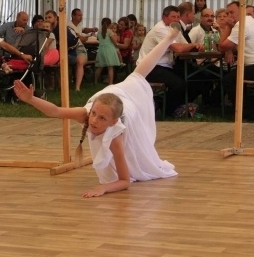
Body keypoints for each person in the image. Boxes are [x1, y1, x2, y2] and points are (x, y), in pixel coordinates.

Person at [12, 24, 179, 198]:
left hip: (124, 107)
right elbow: (55, 111)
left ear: (112, 122)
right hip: (107, 98)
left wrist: (104, 188)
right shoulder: (86, 113)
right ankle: (168, 39)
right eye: (94, 115)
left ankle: (168, 39)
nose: (93, 121)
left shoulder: (116, 134)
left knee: (138, 76)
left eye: (101, 119)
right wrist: (31, 99)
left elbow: (125, 181)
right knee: (137, 75)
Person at [138, 6, 201, 115]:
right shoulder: (160, 29)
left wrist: (194, 46)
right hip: (150, 67)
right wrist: (195, 44)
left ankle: (172, 105)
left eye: (177, 17)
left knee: (195, 78)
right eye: (173, 17)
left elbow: (185, 45)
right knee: (179, 84)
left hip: (165, 66)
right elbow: (179, 48)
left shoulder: (174, 29)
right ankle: (167, 109)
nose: (176, 19)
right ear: (164, 17)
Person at [45, 10, 87, 92]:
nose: (47, 19)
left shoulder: (61, 29)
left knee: (72, 62)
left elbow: (70, 44)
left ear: (55, 18)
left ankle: (71, 87)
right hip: (62, 52)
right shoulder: (48, 29)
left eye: (49, 17)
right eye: (46, 18)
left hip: (73, 50)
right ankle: (57, 87)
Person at [94, 18, 121, 85]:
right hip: (109, 50)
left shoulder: (99, 32)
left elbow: (98, 39)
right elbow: (115, 41)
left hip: (101, 50)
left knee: (100, 67)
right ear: (110, 24)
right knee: (110, 67)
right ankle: (110, 83)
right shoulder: (110, 32)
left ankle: (95, 81)